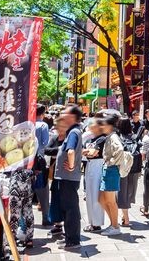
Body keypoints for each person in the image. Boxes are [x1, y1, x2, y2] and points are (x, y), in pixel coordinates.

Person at [54, 105, 84, 250]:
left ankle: (73, 240)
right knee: (68, 208)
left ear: (72, 117)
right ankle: (69, 238)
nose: (62, 115)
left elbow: (70, 151)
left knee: (71, 209)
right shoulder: (73, 131)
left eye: (64, 113)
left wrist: (71, 166)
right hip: (68, 177)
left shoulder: (73, 132)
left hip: (69, 177)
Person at [97, 112, 127, 236]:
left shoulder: (113, 137)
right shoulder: (110, 136)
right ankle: (113, 224)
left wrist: (111, 162)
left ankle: (115, 226)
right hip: (108, 169)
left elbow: (120, 150)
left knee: (110, 201)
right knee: (102, 199)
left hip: (111, 170)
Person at [80, 118, 106, 233]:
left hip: (98, 166)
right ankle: (91, 222)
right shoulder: (92, 138)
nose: (91, 127)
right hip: (89, 165)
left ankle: (97, 223)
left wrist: (86, 152)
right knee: (89, 195)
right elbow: (85, 152)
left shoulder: (102, 138)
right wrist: (86, 152)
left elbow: (92, 153)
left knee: (95, 194)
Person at [44, 117, 68, 237]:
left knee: (65, 200)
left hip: (67, 174)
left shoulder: (70, 138)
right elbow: (46, 150)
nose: (60, 128)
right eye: (58, 126)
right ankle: (57, 224)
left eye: (62, 126)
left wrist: (57, 153)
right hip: (55, 174)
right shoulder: (54, 138)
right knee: (55, 199)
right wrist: (59, 150)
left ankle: (66, 225)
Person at [118, 116, 142, 227]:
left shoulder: (118, 137)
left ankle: (126, 218)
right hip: (134, 166)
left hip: (122, 167)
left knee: (122, 191)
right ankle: (125, 215)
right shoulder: (134, 137)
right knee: (130, 191)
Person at [34, 104, 51, 226]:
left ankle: (23, 222)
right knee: (43, 191)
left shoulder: (27, 124)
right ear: (42, 114)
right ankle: (46, 217)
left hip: (26, 162)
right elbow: (45, 144)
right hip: (39, 161)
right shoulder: (43, 125)